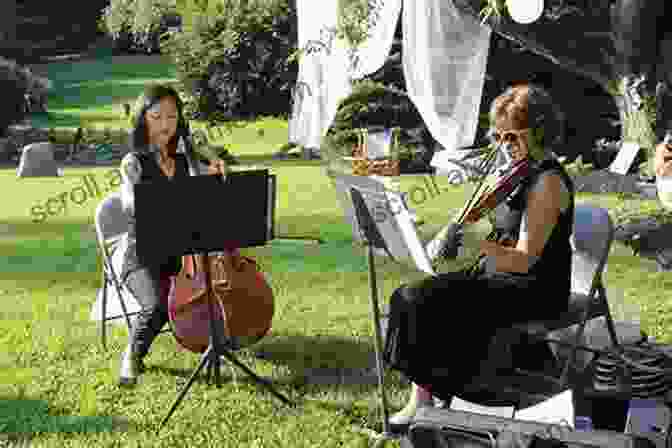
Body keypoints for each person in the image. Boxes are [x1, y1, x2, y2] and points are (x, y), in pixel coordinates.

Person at [383, 83, 575, 428]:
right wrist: (451, 229)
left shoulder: (547, 183)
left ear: (539, 134)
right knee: (416, 296)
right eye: (498, 136)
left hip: (534, 288)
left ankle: (440, 397)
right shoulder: (519, 172)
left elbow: (526, 259)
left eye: (513, 137)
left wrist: (473, 244)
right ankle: (430, 396)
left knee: (418, 300)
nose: (503, 146)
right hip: (499, 276)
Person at [117, 83, 229, 386]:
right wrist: (144, 195)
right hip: (141, 257)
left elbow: (206, 191)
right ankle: (132, 354)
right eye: (157, 117)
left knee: (209, 290)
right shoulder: (134, 163)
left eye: (171, 116)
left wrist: (215, 172)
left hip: (181, 255)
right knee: (158, 304)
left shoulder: (186, 160)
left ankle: (217, 340)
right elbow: (128, 203)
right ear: (143, 120)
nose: (165, 124)